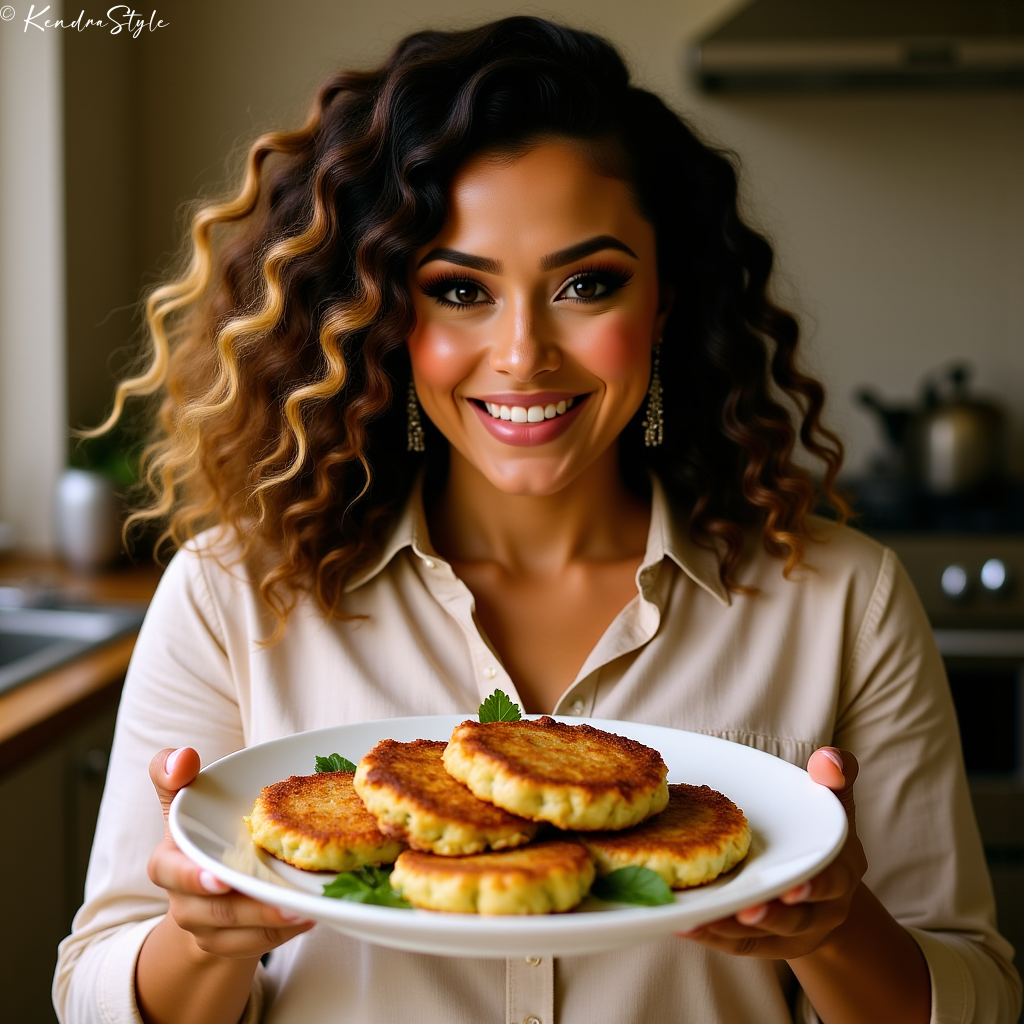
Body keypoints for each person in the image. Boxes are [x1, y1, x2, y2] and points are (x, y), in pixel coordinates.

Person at [55, 16, 1020, 1024]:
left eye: (586, 284)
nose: (522, 354)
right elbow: (91, 993)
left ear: (664, 302)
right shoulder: (229, 594)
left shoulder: (843, 600)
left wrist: (835, 928)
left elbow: (977, 997)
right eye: (460, 290)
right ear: (388, 317)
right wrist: (199, 935)